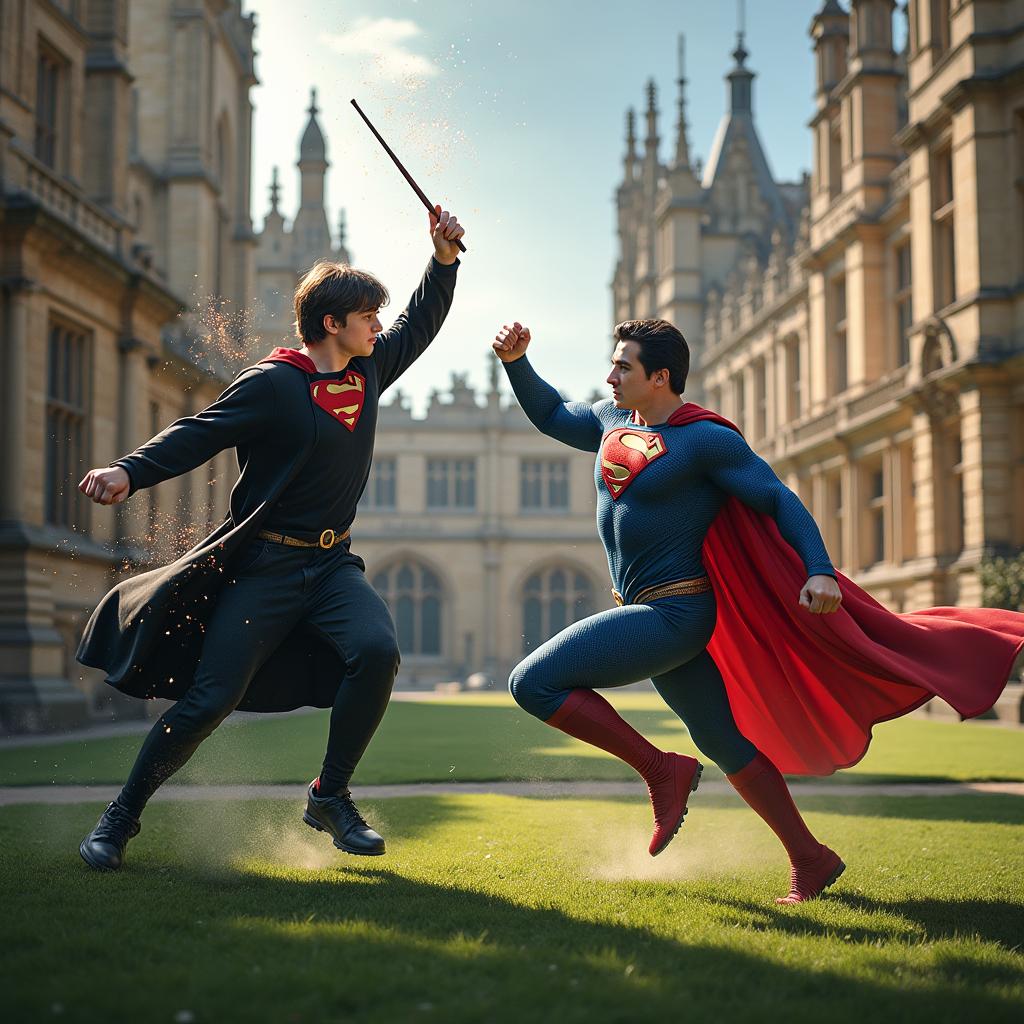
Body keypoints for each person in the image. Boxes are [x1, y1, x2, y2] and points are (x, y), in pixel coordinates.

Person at [492, 317, 1024, 904]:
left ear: (661, 377)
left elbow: (775, 497)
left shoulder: (705, 441)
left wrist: (819, 568)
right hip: (645, 611)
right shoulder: (612, 421)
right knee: (723, 741)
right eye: (613, 364)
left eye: (623, 366)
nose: (610, 376)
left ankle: (660, 770)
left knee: (532, 681)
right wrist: (518, 363)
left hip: (675, 615)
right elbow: (552, 414)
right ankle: (811, 857)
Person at [75, 207, 465, 871]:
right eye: (368, 315)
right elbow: (199, 431)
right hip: (265, 569)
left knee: (375, 652)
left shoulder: (366, 373)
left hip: (334, 565)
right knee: (208, 701)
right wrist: (128, 471)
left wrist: (445, 259)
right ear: (331, 323)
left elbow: (420, 322)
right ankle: (120, 817)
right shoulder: (274, 383)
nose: (380, 324)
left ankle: (329, 796)